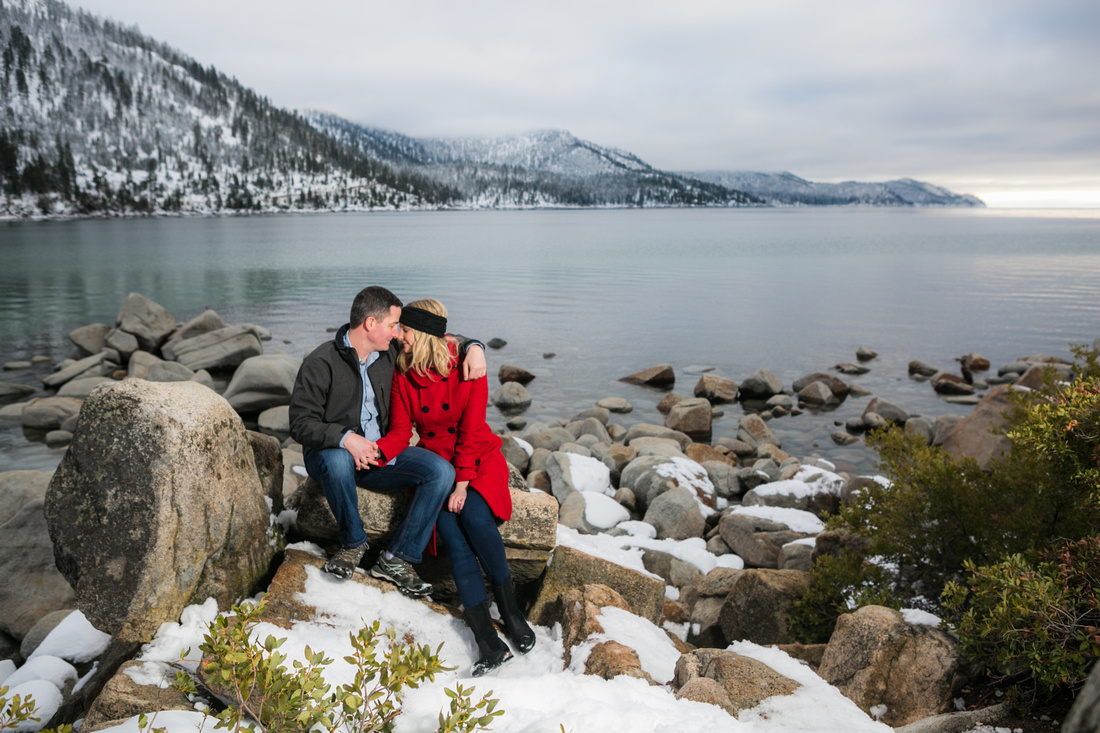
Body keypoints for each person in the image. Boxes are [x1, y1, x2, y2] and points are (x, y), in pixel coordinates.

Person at [288, 286, 486, 596]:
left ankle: (396, 558)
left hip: (381, 455)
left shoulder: (390, 353)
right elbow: (300, 423)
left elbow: (434, 335)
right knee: (337, 458)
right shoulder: (321, 362)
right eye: (394, 325)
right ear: (370, 324)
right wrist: (346, 438)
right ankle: (353, 543)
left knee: (441, 472)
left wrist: (474, 346)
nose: (398, 333)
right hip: (333, 457)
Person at [376, 298, 536, 676]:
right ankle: (486, 640)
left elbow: (469, 431)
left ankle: (511, 612)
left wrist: (462, 484)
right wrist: (373, 455)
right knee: (452, 533)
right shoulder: (403, 372)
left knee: (476, 516)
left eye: (405, 330)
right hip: (437, 463)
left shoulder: (467, 366)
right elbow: (402, 431)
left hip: (475, 457)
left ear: (424, 334)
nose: (399, 336)